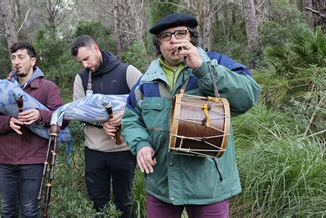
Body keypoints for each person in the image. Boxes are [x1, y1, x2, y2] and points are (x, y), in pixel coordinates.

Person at [121, 13, 261, 218]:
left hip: (209, 185)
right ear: (158, 44)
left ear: (191, 38)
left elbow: (248, 96)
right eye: (166, 36)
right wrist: (141, 144)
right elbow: (131, 119)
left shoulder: (215, 62)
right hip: (162, 185)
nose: (174, 40)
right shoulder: (146, 81)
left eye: (180, 33)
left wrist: (203, 69)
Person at [0, 42, 66, 218]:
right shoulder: (3, 88)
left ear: (33, 61)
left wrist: (39, 115)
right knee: (7, 209)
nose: (16, 61)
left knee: (30, 209)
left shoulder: (47, 87)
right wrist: (8, 122)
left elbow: (63, 118)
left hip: (33, 159)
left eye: (21, 57)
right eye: (13, 57)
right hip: (6, 159)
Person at [71, 35, 142, 217]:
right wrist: (102, 124)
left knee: (124, 201)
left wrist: (125, 116)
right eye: (81, 62)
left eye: (86, 59)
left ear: (96, 48)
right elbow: (78, 111)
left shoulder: (127, 71)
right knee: (97, 202)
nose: (85, 65)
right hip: (94, 151)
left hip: (124, 149)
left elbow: (147, 101)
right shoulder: (81, 78)